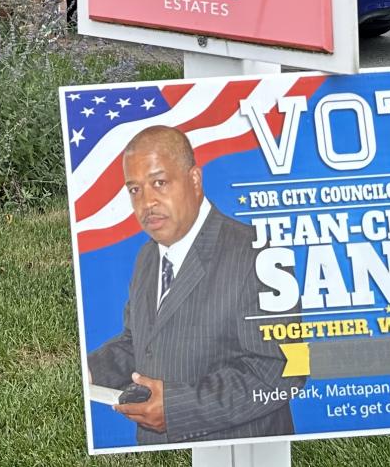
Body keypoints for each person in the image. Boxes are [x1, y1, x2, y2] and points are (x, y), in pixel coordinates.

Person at [86, 125, 294, 445]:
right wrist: (87, 371)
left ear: (195, 180)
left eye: (159, 183)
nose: (147, 202)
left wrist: (177, 408)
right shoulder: (148, 257)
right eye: (135, 190)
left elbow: (280, 370)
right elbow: (139, 342)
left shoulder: (259, 252)